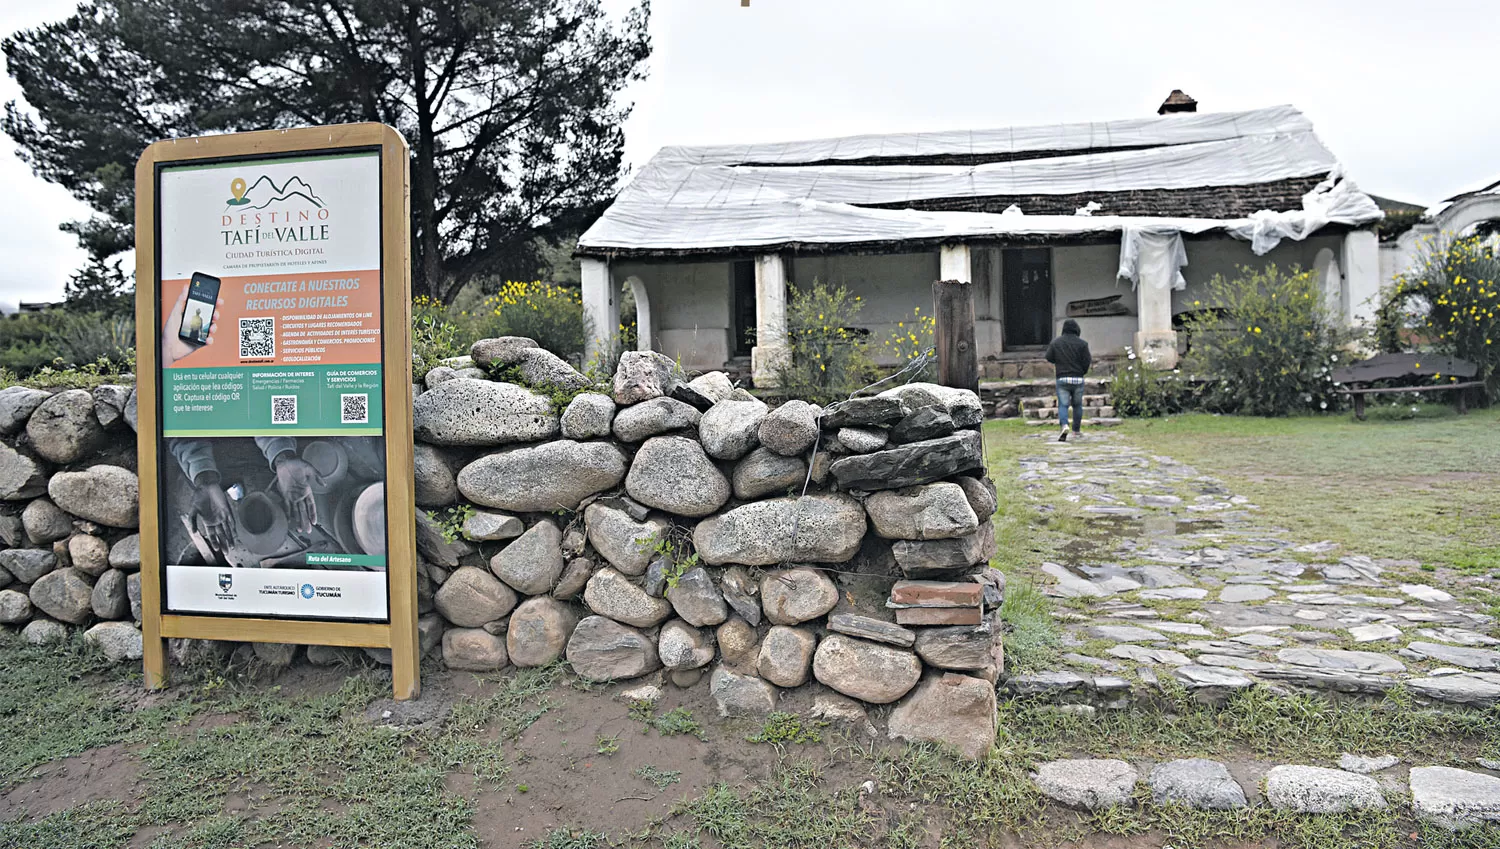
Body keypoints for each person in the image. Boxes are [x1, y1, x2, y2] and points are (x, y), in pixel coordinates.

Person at [1044, 318, 1092, 442]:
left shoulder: (1056, 343)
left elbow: (1048, 357)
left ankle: (1064, 425)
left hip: (1062, 378)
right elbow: (1087, 361)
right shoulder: (1083, 344)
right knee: (1077, 405)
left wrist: (1059, 361)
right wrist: (1082, 372)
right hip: (1077, 379)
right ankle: (1076, 430)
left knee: (1063, 405)